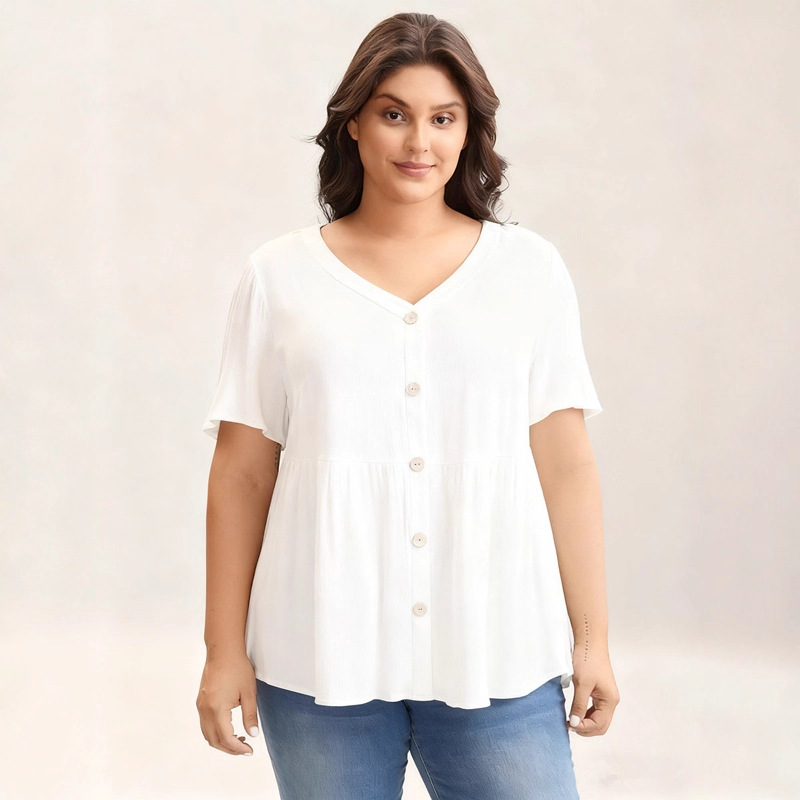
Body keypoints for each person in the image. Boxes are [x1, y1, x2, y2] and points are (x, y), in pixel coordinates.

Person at [196, 11, 619, 800]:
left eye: (442, 118)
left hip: (497, 653)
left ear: (469, 131)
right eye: (394, 114)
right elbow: (242, 475)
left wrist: (592, 641)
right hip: (319, 662)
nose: (419, 142)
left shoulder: (529, 272)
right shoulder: (278, 278)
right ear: (354, 124)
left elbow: (566, 467)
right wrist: (223, 651)